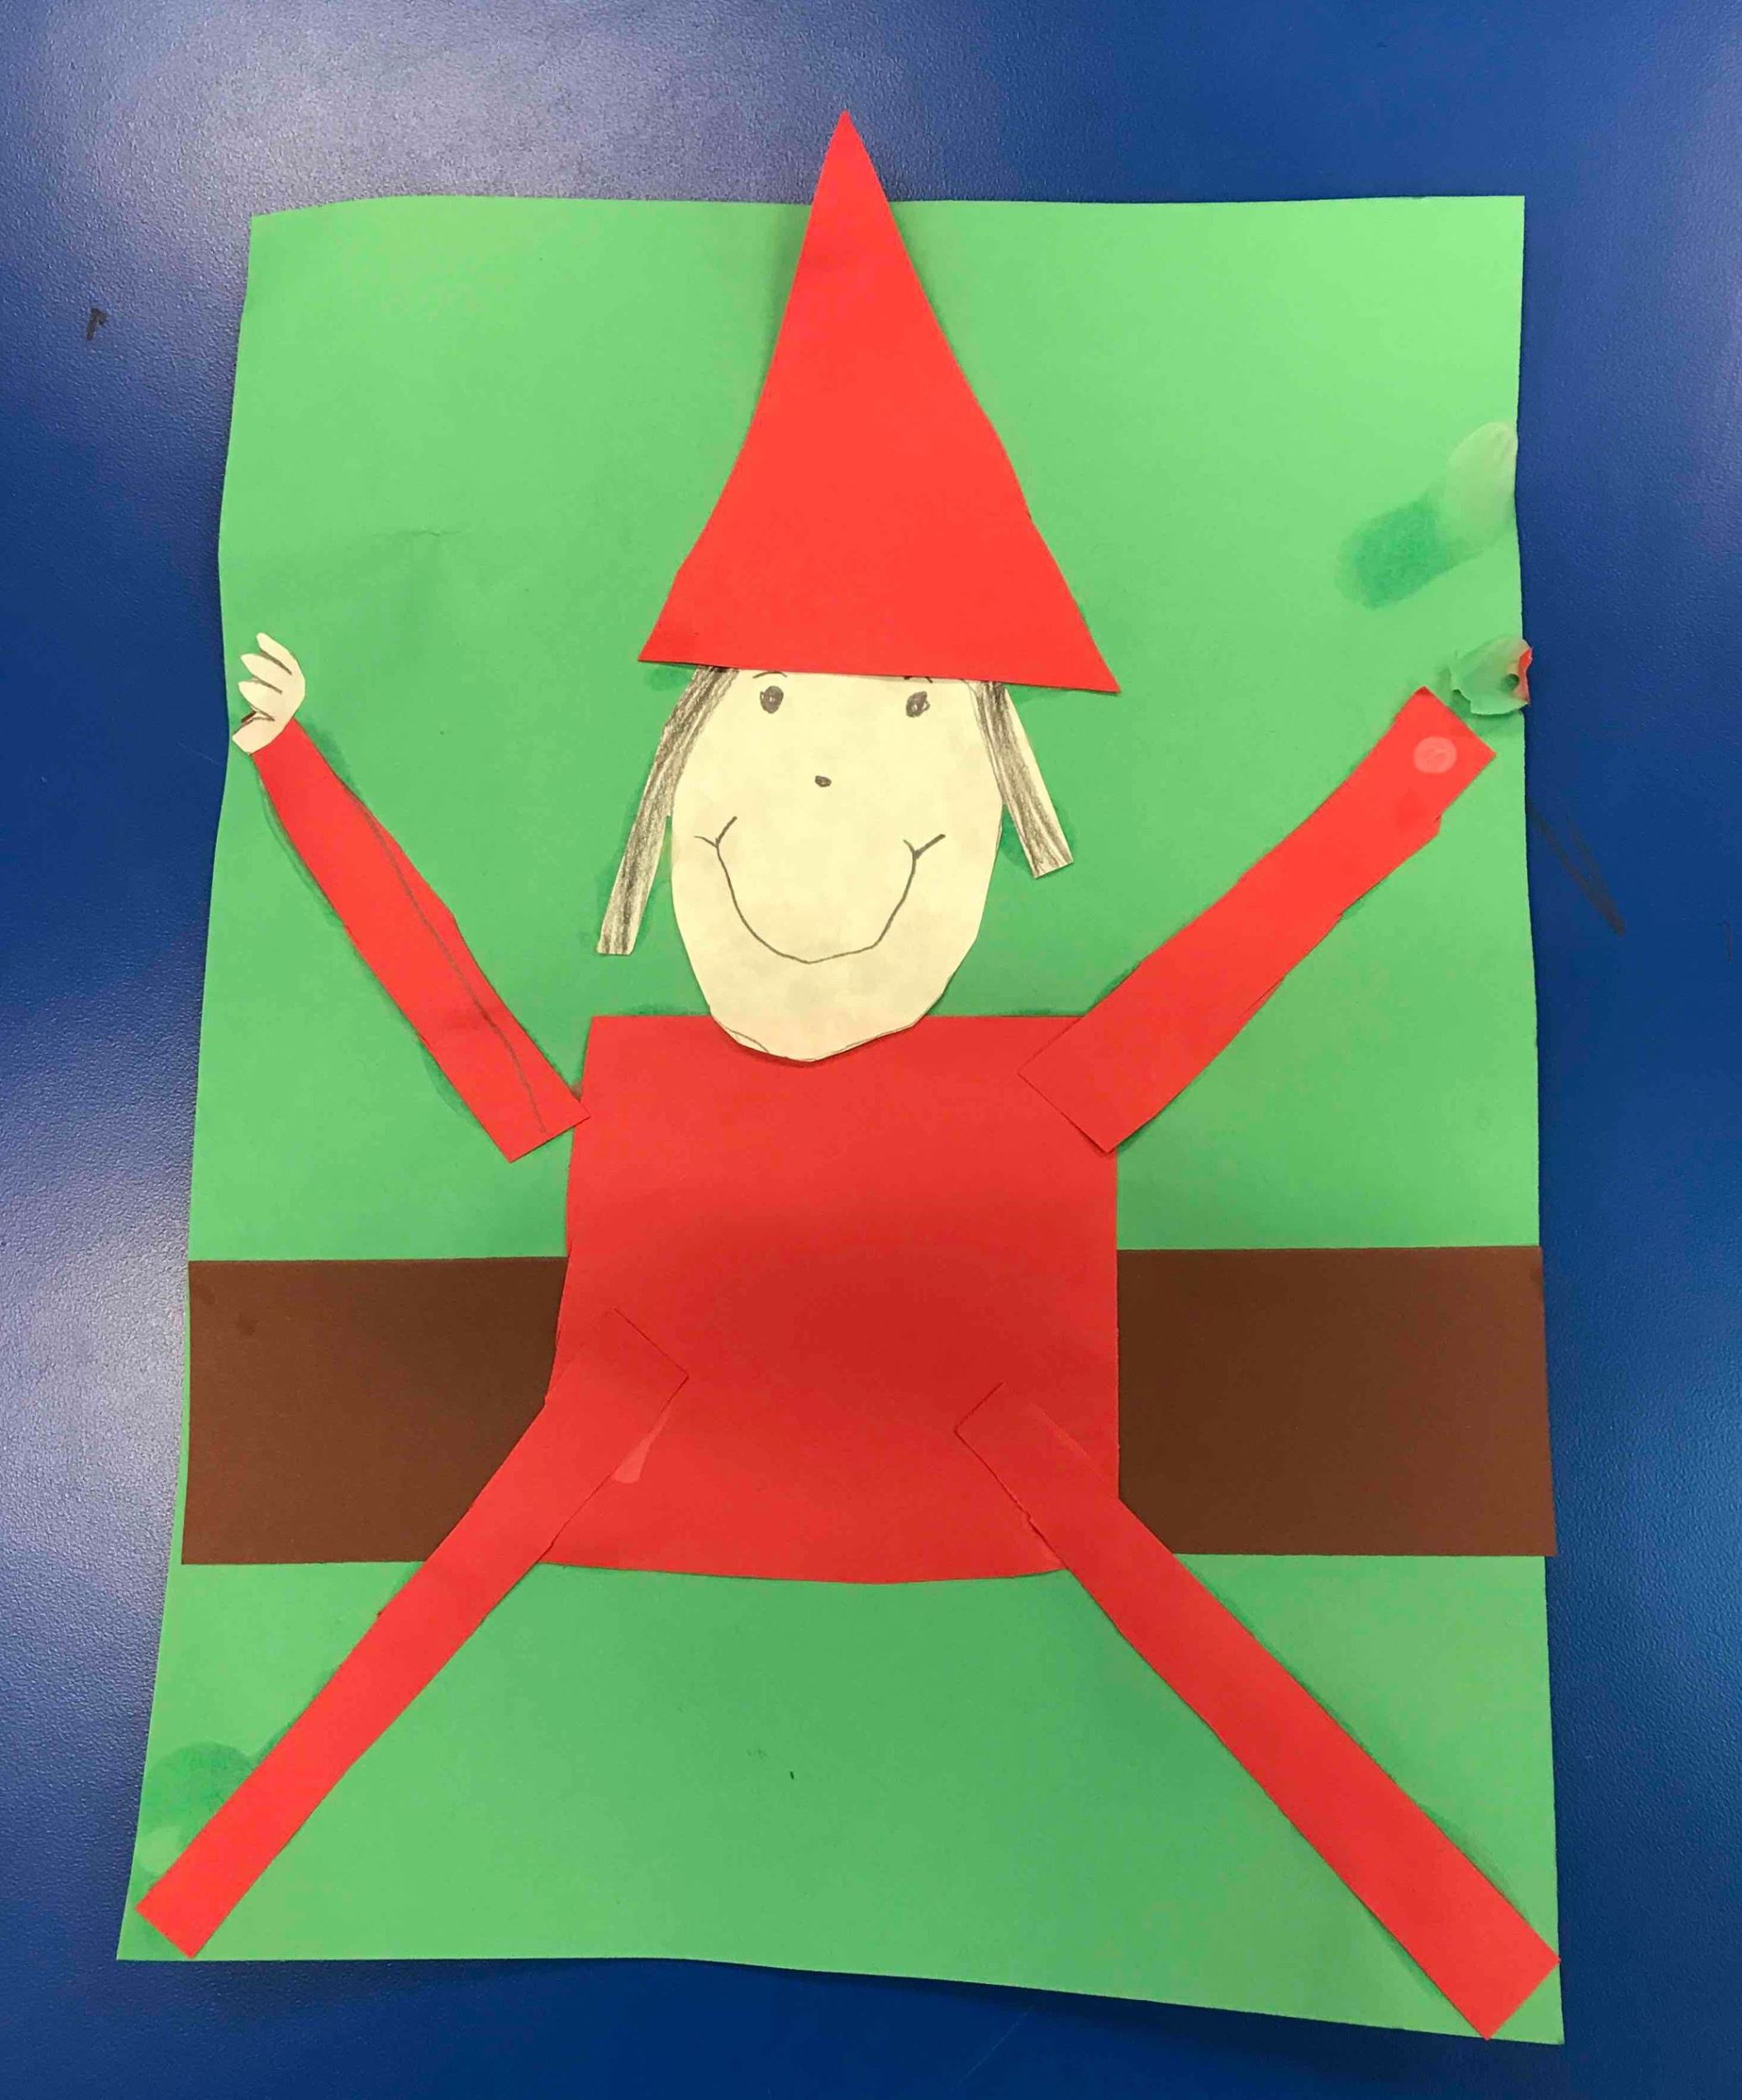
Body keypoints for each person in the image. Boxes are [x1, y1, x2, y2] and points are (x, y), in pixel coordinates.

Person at [141, 117, 1556, 2035]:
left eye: (900, 705)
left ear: (991, 774)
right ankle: (221, 1865)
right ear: (690, 758)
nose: (817, 767)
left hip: (991, 1489)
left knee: (1233, 1694)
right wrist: (300, 768)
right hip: (682, 1476)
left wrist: (1427, 757)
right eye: (770, 701)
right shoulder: (700, 1096)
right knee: (398, 1661)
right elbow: (449, 1011)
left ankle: (1459, 1936)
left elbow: (1229, 966)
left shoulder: (1031, 1099)